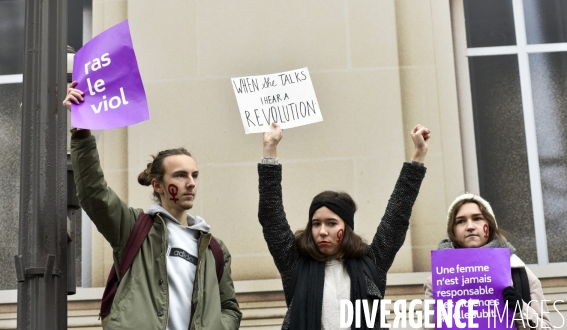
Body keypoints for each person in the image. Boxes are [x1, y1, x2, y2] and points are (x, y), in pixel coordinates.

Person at [63, 82, 242, 330]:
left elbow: (230, 309)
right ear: (158, 185)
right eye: (180, 175)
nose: (190, 183)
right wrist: (81, 132)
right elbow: (95, 193)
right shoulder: (134, 228)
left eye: (195, 175)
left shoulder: (214, 249)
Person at [258, 122, 430, 329]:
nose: (322, 231)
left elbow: (397, 215)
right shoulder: (294, 263)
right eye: (316, 224)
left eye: (331, 223)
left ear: (346, 228)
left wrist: (418, 155)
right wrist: (270, 149)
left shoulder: (371, 262)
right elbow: (271, 215)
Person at [421, 194, 554, 329]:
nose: (470, 226)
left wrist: (522, 310)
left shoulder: (520, 273)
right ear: (453, 231)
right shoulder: (436, 281)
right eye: (461, 221)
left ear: (489, 225)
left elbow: (548, 328)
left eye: (477, 218)